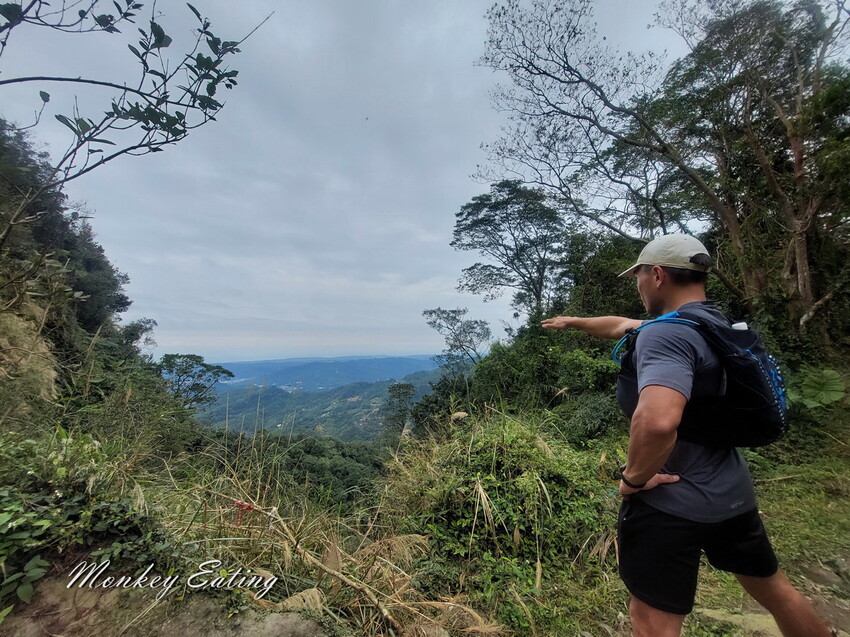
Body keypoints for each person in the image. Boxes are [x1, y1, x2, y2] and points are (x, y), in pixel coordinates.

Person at [541, 234, 832, 637]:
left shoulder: (666, 335)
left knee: (651, 621)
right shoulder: (712, 323)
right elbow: (622, 326)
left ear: (657, 275)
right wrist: (574, 322)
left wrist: (633, 480)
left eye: (639, 275)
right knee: (776, 592)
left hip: (670, 503)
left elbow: (658, 421)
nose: (637, 284)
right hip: (732, 494)